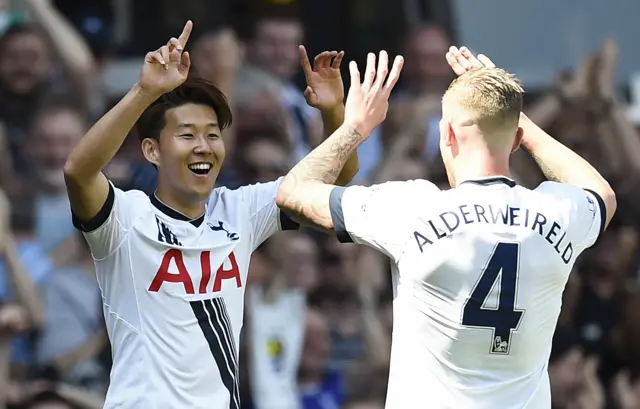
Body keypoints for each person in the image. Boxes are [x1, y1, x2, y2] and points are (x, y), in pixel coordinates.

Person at [275, 47, 616, 409]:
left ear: (447, 134)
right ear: (516, 140)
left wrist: (355, 127)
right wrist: (519, 122)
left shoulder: (414, 209)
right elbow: (602, 195)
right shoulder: (557, 212)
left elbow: (292, 193)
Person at [62, 21, 359, 409]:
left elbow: (335, 180)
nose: (203, 146)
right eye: (187, 135)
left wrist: (335, 112)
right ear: (152, 151)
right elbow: (78, 172)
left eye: (213, 134)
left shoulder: (241, 211)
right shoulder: (125, 217)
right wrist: (145, 92)